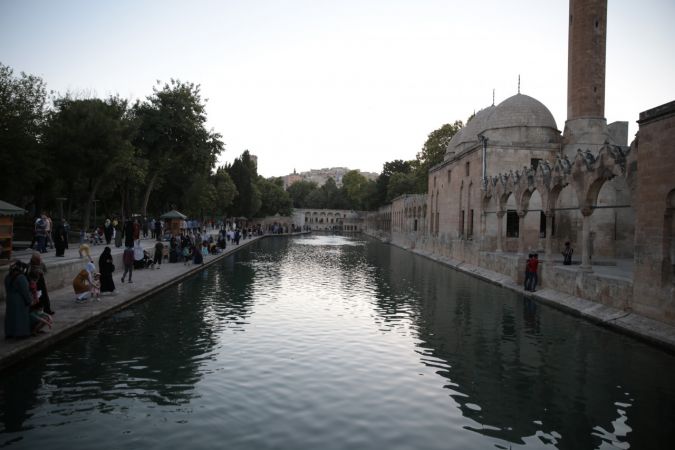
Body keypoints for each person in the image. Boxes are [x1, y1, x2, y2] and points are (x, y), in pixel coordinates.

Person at [4, 261, 33, 338]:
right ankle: (21, 333)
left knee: (10, 316)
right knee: (20, 316)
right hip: (19, 300)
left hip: (10, 298)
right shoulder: (21, 277)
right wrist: (29, 301)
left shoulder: (7, 277)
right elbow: (25, 291)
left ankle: (10, 332)